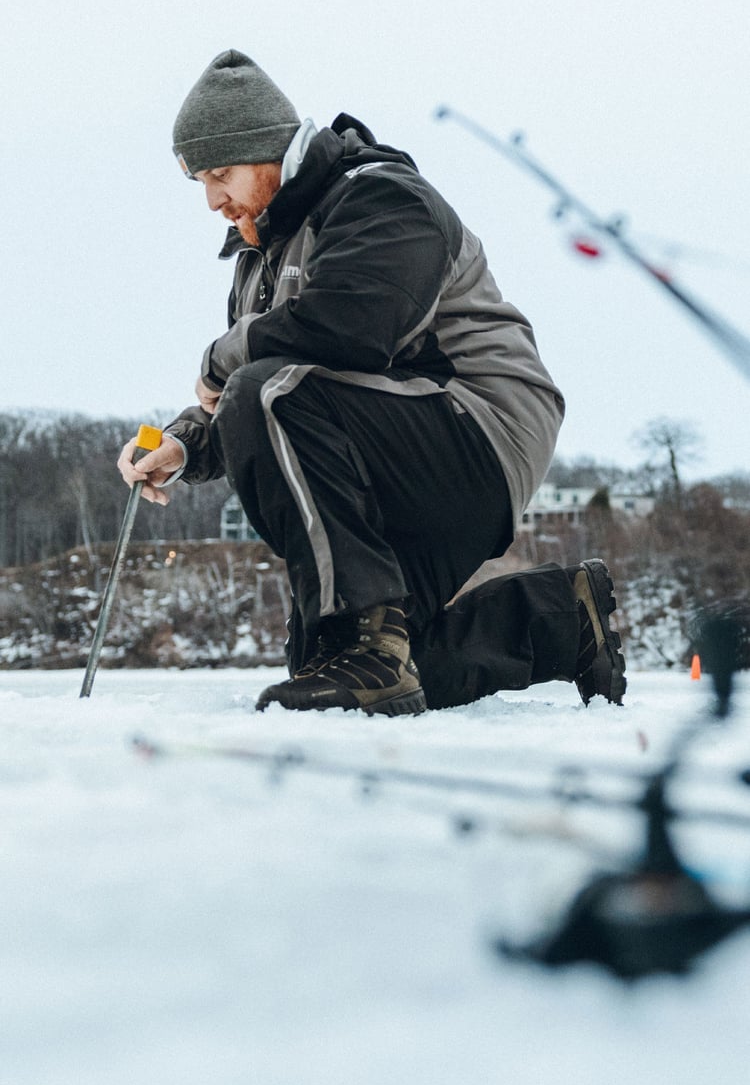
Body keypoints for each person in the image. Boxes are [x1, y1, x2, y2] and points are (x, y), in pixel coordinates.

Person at [118, 49, 627, 716]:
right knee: (331, 661)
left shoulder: (379, 195)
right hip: (385, 449)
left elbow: (348, 329)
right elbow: (260, 404)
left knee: (265, 390)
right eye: (201, 183)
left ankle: (373, 652)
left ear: (273, 152)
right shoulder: (258, 261)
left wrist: (223, 359)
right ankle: (565, 619)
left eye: (222, 174)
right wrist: (183, 445)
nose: (214, 199)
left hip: (479, 422)